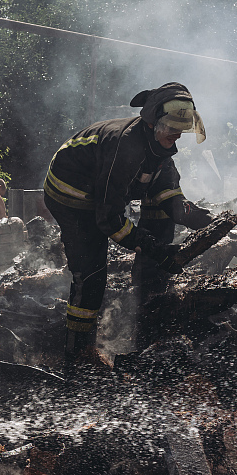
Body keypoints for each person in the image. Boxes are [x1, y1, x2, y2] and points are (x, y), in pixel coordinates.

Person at [43, 82, 214, 357]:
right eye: (172, 129)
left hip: (101, 193)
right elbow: (108, 219)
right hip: (71, 196)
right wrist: (152, 247)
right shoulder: (126, 148)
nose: (178, 136)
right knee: (92, 274)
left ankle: (149, 293)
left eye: (181, 130)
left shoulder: (158, 146)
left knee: (159, 213)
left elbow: (167, 191)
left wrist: (197, 218)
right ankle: (79, 355)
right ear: (152, 123)